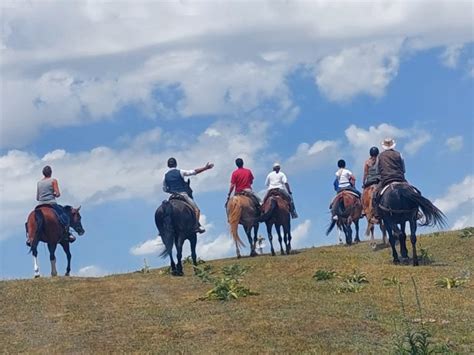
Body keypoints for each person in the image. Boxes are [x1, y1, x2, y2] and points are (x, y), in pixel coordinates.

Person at [163, 157, 214, 233]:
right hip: (183, 195)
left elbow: (164, 189)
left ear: (168, 165)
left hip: (172, 196)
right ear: (176, 164)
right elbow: (194, 172)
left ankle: (164, 228)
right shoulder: (180, 172)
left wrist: (170, 191)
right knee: (197, 210)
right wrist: (205, 168)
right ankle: (196, 226)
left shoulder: (165, 176)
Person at [36, 165, 75, 243]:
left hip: (40, 204)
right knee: (65, 217)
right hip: (51, 203)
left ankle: (29, 236)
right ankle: (67, 234)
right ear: (51, 173)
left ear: (43, 173)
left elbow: (37, 197)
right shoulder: (53, 181)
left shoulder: (39, 183)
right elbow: (58, 194)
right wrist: (54, 194)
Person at [372, 138, 407, 222]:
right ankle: (417, 212)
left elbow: (377, 170)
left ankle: (377, 216)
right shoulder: (399, 154)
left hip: (386, 180)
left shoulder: (380, 156)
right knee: (415, 192)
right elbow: (404, 169)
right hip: (400, 179)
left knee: (374, 195)